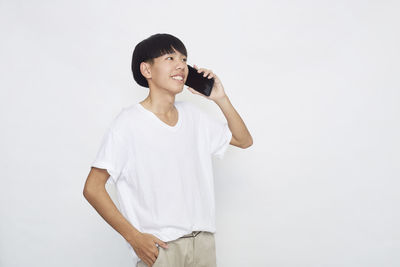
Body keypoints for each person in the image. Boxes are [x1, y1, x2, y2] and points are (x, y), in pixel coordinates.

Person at [83, 33, 253, 267]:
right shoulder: (128, 123)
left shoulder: (194, 117)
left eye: (183, 59)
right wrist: (134, 238)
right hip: (161, 250)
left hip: (203, 244)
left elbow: (243, 140)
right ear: (147, 70)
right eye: (170, 58)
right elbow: (92, 187)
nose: (181, 65)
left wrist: (220, 98)